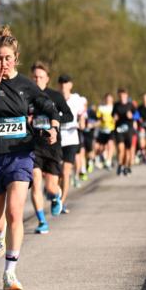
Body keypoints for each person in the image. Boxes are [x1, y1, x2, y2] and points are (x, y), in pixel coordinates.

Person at [0, 27, 60, 290]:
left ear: (16, 58)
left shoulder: (26, 85)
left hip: (20, 154)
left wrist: (54, 126)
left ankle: (10, 272)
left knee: (15, 213)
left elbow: (48, 105)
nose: (3, 63)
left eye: (7, 58)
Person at [28, 63, 72, 233]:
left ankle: (56, 196)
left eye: (41, 77)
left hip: (52, 147)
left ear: (47, 79)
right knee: (36, 181)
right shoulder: (26, 96)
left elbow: (69, 115)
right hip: (33, 146)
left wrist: (55, 119)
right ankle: (41, 221)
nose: (37, 79)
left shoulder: (56, 96)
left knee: (50, 187)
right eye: (35, 77)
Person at [57, 75, 87, 206]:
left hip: (71, 138)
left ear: (70, 85)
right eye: (61, 83)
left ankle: (61, 202)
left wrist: (82, 122)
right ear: (58, 85)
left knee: (66, 170)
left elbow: (82, 114)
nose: (63, 85)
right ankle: (56, 195)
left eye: (66, 82)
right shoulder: (54, 98)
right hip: (57, 139)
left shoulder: (77, 99)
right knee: (57, 173)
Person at [113, 88, 136, 176]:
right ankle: (120, 165)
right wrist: (114, 117)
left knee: (128, 150)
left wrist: (132, 116)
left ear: (126, 96)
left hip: (128, 130)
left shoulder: (131, 105)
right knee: (120, 148)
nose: (122, 97)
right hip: (119, 130)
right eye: (120, 96)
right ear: (119, 96)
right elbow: (113, 114)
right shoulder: (116, 105)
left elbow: (137, 115)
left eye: (124, 95)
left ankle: (126, 166)